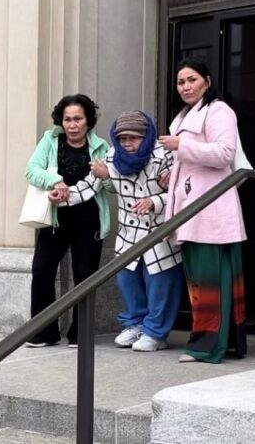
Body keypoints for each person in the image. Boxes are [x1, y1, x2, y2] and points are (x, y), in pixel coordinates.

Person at [57, 111, 185, 352]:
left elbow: (184, 189)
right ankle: (135, 324)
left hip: (159, 231)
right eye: (123, 138)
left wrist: (154, 201)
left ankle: (156, 332)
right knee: (128, 280)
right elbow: (90, 185)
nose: (127, 143)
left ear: (146, 136)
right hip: (128, 231)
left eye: (134, 138)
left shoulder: (165, 155)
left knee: (160, 282)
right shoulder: (112, 155)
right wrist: (64, 197)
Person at [158, 58, 248, 364]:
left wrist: (181, 145)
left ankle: (206, 346)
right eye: (181, 82)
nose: (185, 87)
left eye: (191, 80)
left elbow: (224, 154)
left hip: (211, 211)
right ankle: (224, 343)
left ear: (207, 81)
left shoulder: (219, 110)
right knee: (203, 281)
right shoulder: (185, 116)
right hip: (194, 210)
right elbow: (195, 161)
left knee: (210, 282)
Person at [24, 94, 111, 348]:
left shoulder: (101, 147)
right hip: (56, 217)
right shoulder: (50, 141)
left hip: (88, 219)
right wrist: (55, 182)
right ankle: (44, 332)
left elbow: (112, 186)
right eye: (68, 119)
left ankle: (79, 333)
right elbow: (32, 170)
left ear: (88, 121)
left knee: (85, 275)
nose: (72, 125)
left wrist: (105, 175)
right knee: (41, 270)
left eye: (78, 119)